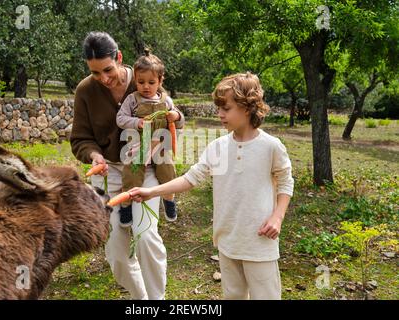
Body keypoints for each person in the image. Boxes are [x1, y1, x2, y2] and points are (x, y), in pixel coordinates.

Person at [130, 72, 294, 300]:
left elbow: (286, 182)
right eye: (219, 108)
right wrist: (151, 192)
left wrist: (277, 217)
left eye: (226, 109)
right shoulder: (217, 147)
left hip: (259, 242)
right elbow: (191, 178)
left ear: (247, 107)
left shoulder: (271, 146)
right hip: (227, 241)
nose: (220, 115)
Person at [70, 31, 185, 300]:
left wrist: (160, 142)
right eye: (96, 73)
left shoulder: (145, 77)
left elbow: (173, 120)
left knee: (146, 237)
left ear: (119, 58)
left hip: (145, 168)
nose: (104, 79)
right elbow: (80, 139)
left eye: (108, 70)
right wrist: (94, 156)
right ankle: (140, 298)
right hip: (108, 172)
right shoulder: (85, 91)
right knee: (116, 252)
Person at [116, 48, 179, 228]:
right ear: (135, 79)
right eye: (141, 81)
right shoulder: (132, 100)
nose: (146, 86)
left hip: (160, 144)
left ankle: (169, 200)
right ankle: (126, 204)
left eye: (151, 82)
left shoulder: (166, 101)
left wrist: (175, 117)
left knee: (168, 171)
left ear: (160, 80)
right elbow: (120, 119)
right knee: (131, 173)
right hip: (139, 145)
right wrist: (136, 122)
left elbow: (177, 120)